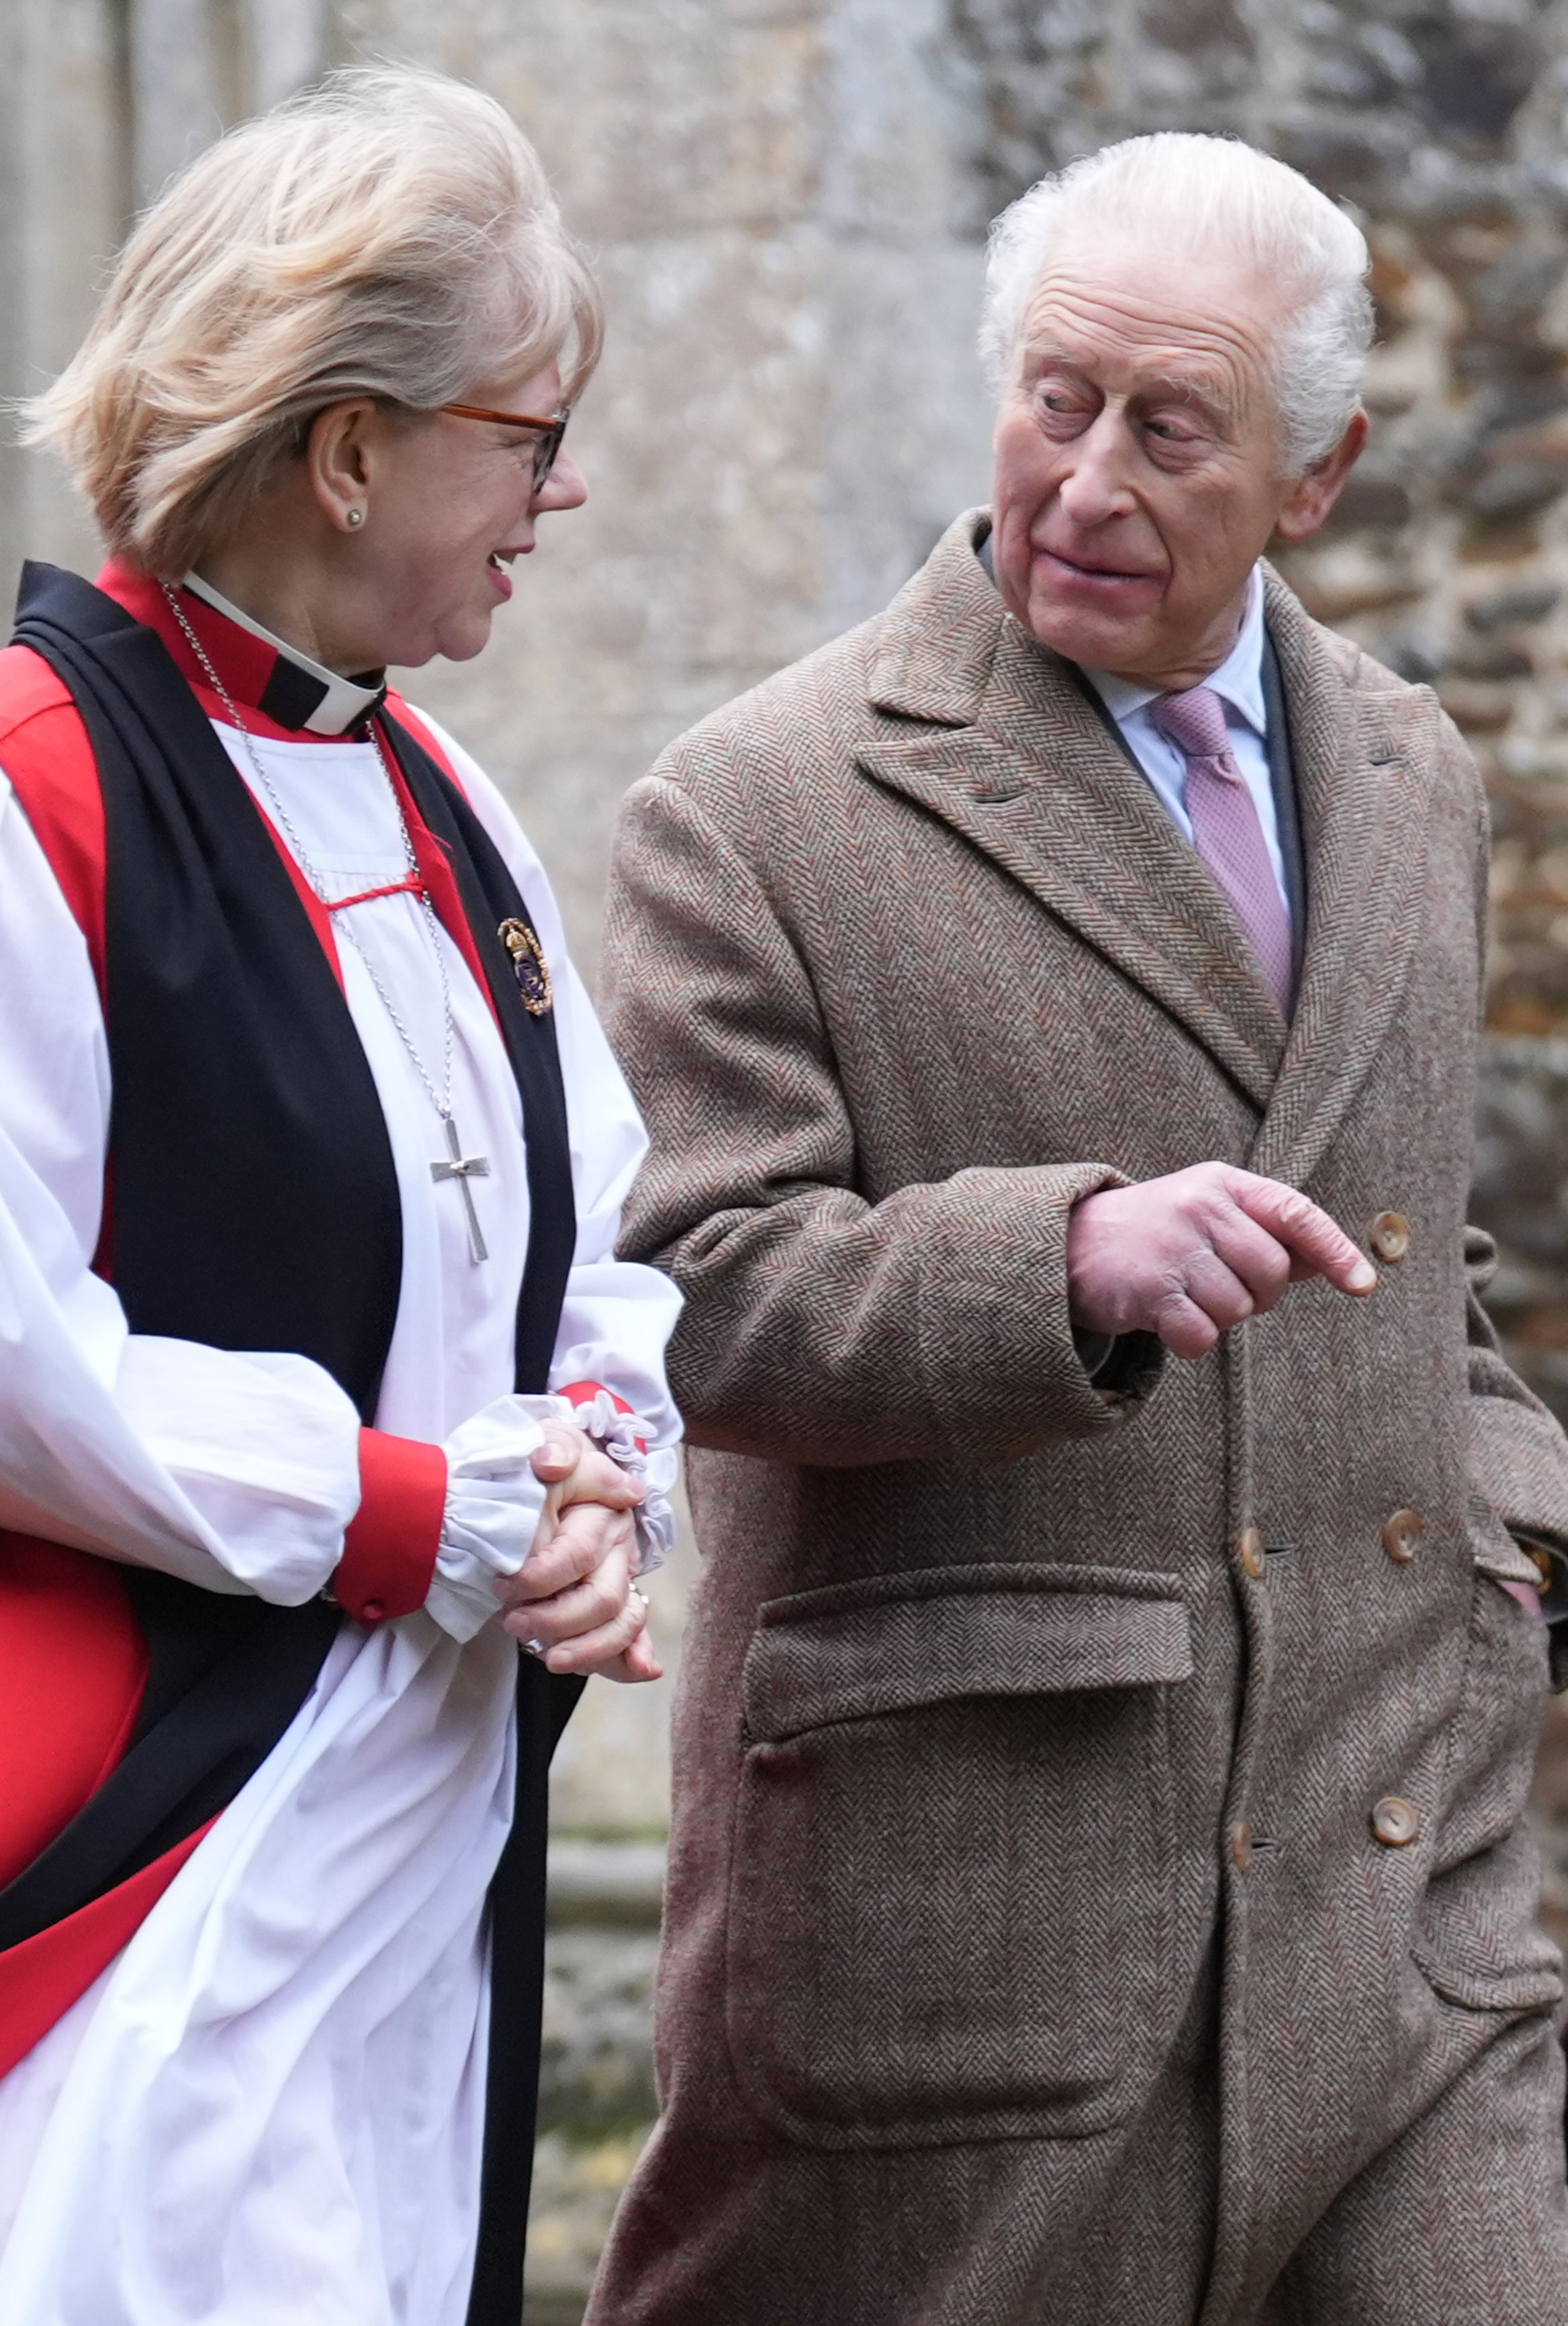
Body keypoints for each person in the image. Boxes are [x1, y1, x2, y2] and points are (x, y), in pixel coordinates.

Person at [590, 134, 1568, 2324]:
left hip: (1414, 1901)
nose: (1089, 479)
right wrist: (1055, 1265)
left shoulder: (1412, 774)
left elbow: (1423, 1260)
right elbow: (683, 1304)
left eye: (1171, 426)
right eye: (1056, 400)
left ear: (1317, 475)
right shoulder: (756, 807)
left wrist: (1520, 1522)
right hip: (989, 1944)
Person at [0, 66, 680, 2326]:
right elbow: (13, 1353)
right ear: (351, 441)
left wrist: (604, 1470)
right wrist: (418, 1515)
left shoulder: (442, 787)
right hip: (162, 1835)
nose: (561, 490)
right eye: (528, 429)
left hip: (431, 1818)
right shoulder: (44, 783)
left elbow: (599, 1222)